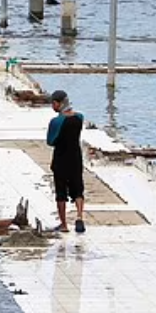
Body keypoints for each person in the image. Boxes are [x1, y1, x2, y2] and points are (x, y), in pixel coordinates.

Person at [46, 90, 86, 233]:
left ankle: (64, 224)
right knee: (78, 188)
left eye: (53, 103)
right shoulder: (79, 117)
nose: (52, 106)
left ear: (58, 103)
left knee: (61, 191)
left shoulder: (56, 122)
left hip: (61, 159)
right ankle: (79, 216)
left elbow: (50, 141)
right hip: (76, 157)